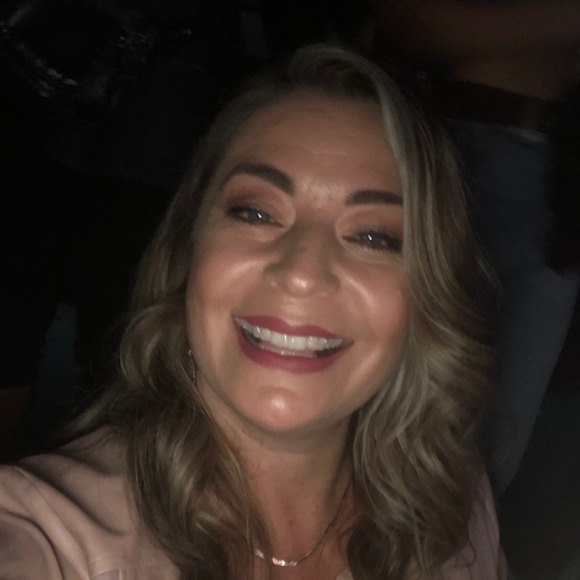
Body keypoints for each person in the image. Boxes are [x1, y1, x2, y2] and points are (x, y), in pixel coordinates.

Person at [0, 45, 506, 579]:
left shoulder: (454, 507)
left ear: (427, 292)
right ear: (188, 247)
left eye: (373, 237)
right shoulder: (48, 536)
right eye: (257, 213)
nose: (302, 272)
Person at [369, 0, 580, 494]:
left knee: (496, 439)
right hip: (472, 137)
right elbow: (407, 19)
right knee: (418, 411)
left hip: (563, 169)